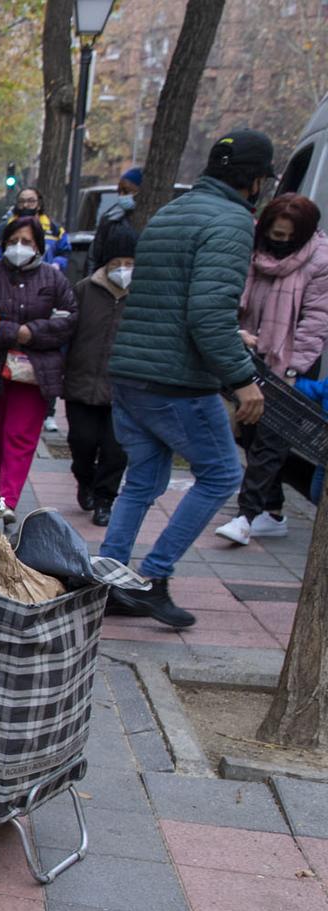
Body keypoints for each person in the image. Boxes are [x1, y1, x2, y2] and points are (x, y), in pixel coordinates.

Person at [102, 129, 274, 628]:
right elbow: (205, 313)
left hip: (132, 370)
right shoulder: (234, 220)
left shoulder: (169, 212)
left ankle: (110, 579)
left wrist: (225, 336)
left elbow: (175, 300)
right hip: (175, 381)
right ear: (257, 180)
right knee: (222, 473)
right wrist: (242, 379)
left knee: (143, 481)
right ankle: (154, 579)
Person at [215, 193, 328, 545]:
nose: (278, 243)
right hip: (249, 354)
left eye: (286, 238)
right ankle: (272, 512)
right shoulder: (249, 248)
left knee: (271, 441)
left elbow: (316, 320)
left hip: (290, 363)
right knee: (250, 434)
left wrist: (294, 369)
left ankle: (245, 516)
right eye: (274, 235)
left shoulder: (319, 259)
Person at [0, 215, 78, 507]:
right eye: (13, 242)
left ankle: (7, 499)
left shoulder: (54, 278)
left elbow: (67, 320)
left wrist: (32, 332)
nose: (19, 247)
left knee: (20, 438)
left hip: (34, 374)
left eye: (26, 242)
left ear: (39, 245)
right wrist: (15, 331)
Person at [65, 220, 137, 526]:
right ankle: (85, 479)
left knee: (116, 450)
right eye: (117, 263)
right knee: (81, 441)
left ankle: (105, 499)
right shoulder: (84, 290)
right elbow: (66, 332)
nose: (123, 269)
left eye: (129, 264)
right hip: (82, 383)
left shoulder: (142, 296)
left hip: (124, 390)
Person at [0, 186, 73, 270]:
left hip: (44, 281)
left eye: (31, 201)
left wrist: (57, 264)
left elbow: (65, 253)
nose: (25, 205)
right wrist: (7, 251)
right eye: (21, 201)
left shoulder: (55, 231)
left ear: (39, 205)